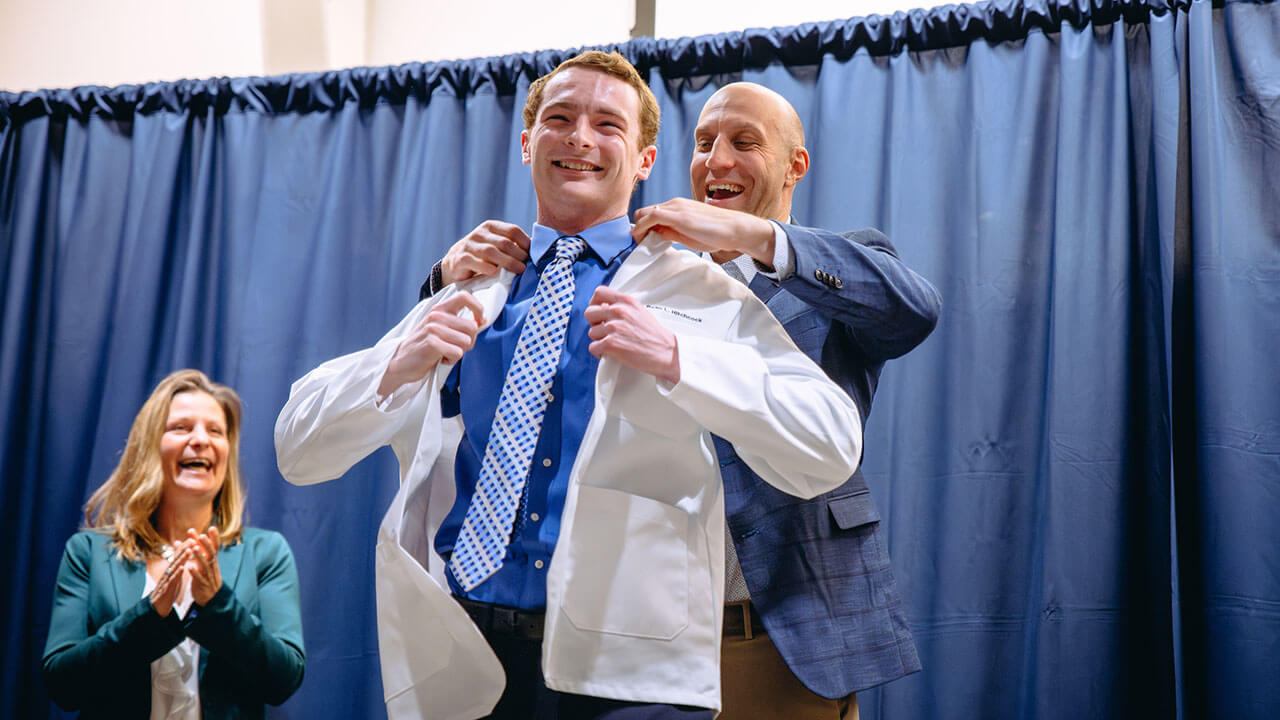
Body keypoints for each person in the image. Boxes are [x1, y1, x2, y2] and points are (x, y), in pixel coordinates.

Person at [275, 51, 863, 720]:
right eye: (560, 118)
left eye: (608, 124)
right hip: (469, 662)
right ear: (528, 144)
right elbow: (299, 447)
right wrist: (395, 365)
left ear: (644, 159)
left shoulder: (695, 292)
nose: (581, 138)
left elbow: (830, 443)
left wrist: (678, 359)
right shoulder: (472, 284)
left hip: (628, 675)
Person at [426, 82, 941, 720]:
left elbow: (913, 312)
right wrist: (442, 283)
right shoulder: (645, 277)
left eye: (744, 142)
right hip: (630, 637)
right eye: (703, 143)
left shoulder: (832, 272)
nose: (716, 159)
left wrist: (755, 237)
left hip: (774, 633)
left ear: (795, 166)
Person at [42, 369, 306, 719]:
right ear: (149, 446)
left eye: (216, 430)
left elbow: (283, 678)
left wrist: (218, 604)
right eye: (181, 428)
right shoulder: (87, 553)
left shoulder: (266, 553)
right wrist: (150, 615)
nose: (201, 440)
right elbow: (63, 684)